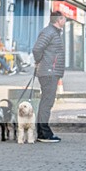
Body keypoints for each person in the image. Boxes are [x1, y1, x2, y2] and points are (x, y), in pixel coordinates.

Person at [32, 11, 66, 143]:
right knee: (47, 102)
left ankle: (42, 131)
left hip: (51, 71)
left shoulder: (54, 32)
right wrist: (39, 61)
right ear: (58, 20)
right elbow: (37, 49)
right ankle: (44, 133)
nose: (65, 21)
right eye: (63, 19)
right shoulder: (49, 32)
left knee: (47, 102)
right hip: (48, 72)